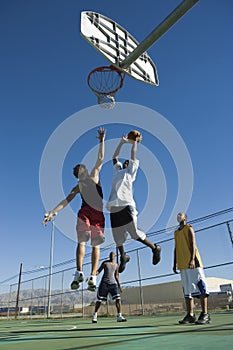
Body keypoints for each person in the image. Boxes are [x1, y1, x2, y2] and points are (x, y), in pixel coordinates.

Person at [42, 127, 106, 292]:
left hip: (89, 212)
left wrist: (102, 141)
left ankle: (83, 273)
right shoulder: (90, 179)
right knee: (93, 244)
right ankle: (89, 274)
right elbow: (100, 159)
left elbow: (66, 201)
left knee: (85, 242)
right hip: (93, 212)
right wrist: (52, 212)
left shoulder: (84, 182)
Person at [106, 133, 161, 273]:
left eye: (128, 162)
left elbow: (133, 155)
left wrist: (134, 142)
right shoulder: (118, 171)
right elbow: (114, 157)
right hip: (114, 206)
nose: (126, 162)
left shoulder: (131, 172)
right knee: (117, 238)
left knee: (134, 233)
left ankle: (154, 248)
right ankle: (123, 256)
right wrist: (121, 142)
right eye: (124, 162)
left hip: (126, 204)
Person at [173, 212, 210, 324]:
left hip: (192, 262)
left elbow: (193, 244)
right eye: (177, 215)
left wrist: (192, 259)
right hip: (182, 264)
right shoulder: (176, 232)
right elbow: (176, 248)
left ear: (185, 217)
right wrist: (174, 263)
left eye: (181, 214)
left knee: (200, 286)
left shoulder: (189, 228)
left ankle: (205, 314)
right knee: (187, 289)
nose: (179, 216)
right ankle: (190, 314)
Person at [92, 251, 127, 323]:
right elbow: (98, 271)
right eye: (110, 255)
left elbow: (116, 276)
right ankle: (95, 315)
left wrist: (119, 285)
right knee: (99, 300)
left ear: (115, 256)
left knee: (118, 299)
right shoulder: (105, 263)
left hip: (113, 284)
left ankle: (119, 316)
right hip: (104, 284)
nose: (111, 256)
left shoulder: (116, 265)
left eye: (113, 255)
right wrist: (92, 275)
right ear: (109, 256)